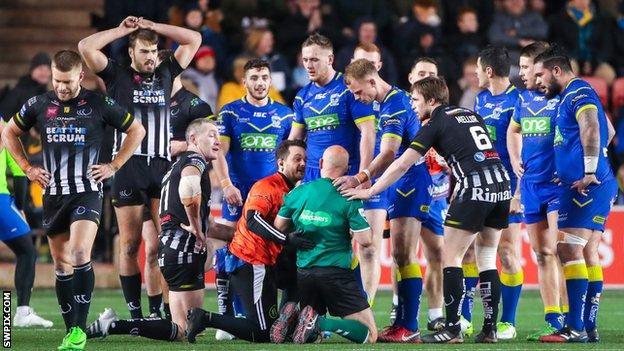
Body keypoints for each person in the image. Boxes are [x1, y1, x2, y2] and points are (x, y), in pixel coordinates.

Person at [344, 76, 511, 344]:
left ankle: (453, 329)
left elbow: (402, 164)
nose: (412, 105)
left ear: (431, 101)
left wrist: (370, 190)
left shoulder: (434, 122)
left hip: (475, 186)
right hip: (501, 184)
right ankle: (490, 328)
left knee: (450, 258)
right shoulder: (468, 113)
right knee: (488, 258)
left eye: (416, 100)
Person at [1, 50, 145, 351]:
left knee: (80, 253)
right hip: (54, 195)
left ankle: (80, 328)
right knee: (61, 264)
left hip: (87, 190)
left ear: (80, 76)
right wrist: (28, 168)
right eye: (57, 81)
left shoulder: (98, 103)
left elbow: (137, 130)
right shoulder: (39, 104)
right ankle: (72, 331)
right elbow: (10, 133)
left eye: (67, 81)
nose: (62, 87)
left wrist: (114, 165)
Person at [78, 16, 201, 319]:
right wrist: (122, 31)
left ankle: (160, 311)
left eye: (154, 51)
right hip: (128, 167)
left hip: (162, 167)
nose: (150, 57)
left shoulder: (166, 70)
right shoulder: (116, 74)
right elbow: (85, 46)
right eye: (144, 51)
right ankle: (135, 314)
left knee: (165, 243)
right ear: (131, 52)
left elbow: (193, 38)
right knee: (131, 245)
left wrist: (155, 27)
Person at [337, 58, 434, 343]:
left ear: (371, 81)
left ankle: (410, 325)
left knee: (404, 254)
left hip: (410, 182)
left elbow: (389, 152)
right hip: (399, 182)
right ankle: (404, 323)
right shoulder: (384, 103)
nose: (357, 98)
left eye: (357, 92)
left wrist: (361, 177)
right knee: (399, 256)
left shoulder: (394, 104)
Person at [185, 140, 313, 343]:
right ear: (281, 162)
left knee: (304, 277)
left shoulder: (294, 191)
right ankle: (205, 318)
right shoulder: (267, 185)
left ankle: (288, 322)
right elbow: (254, 220)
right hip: (251, 261)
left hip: (266, 262)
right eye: (297, 159)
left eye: (305, 159)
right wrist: (286, 239)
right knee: (262, 333)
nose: (303, 163)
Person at [535, 46, 617, 343]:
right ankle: (587, 325)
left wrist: (590, 170)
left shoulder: (577, 91)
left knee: (568, 250)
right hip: (590, 183)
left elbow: (594, 128)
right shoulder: (572, 95)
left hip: (590, 185)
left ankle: (574, 327)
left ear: (557, 70)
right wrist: (571, 169)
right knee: (584, 251)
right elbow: (609, 131)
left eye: (540, 75)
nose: (537, 81)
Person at [274, 145, 377, 344]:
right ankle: (321, 323)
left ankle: (297, 316)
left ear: (320, 164)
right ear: (347, 170)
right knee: (370, 334)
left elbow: (279, 227)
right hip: (335, 274)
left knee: (313, 339)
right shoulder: (349, 196)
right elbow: (365, 241)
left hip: (304, 273)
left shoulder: (298, 192)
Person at [506, 42, 566, 340]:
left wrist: (574, 168)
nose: (522, 72)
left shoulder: (564, 96)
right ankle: (553, 318)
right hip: (530, 187)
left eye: (527, 66)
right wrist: (516, 159)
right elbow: (513, 131)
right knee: (541, 254)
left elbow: (604, 129)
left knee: (561, 251)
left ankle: (571, 321)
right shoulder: (523, 99)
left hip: (557, 187)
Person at [474, 46, 523, 340]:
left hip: (508, 187)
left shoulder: (519, 100)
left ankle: (508, 322)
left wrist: (519, 193)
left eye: (479, 69)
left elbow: (523, 151)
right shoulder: (480, 99)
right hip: (481, 184)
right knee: (472, 250)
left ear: (489, 71)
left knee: (505, 252)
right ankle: (466, 318)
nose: (476, 74)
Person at [213, 58, 294, 228]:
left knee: (272, 238)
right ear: (244, 82)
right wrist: (226, 185)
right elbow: (219, 151)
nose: (260, 83)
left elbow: (292, 156)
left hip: (271, 188)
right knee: (231, 237)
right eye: (254, 78)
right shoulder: (229, 112)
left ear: (271, 81)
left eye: (264, 78)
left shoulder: (286, 115)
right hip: (238, 188)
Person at [289, 33, 375, 185]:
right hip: (312, 175)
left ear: (330, 59)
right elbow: (295, 140)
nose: (309, 65)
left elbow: (368, 132)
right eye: (305, 60)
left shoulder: (350, 87)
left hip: (346, 173)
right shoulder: (302, 96)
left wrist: (363, 176)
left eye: (315, 60)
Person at [0, 122, 52, 328]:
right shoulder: (5, 130)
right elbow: (20, 174)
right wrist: (20, 207)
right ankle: (22, 312)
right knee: (27, 252)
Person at [0, 52, 51, 120]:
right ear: (32, 71)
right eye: (40, 69)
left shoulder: (48, 95)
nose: (44, 73)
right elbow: (4, 116)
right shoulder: (18, 92)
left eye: (47, 69)